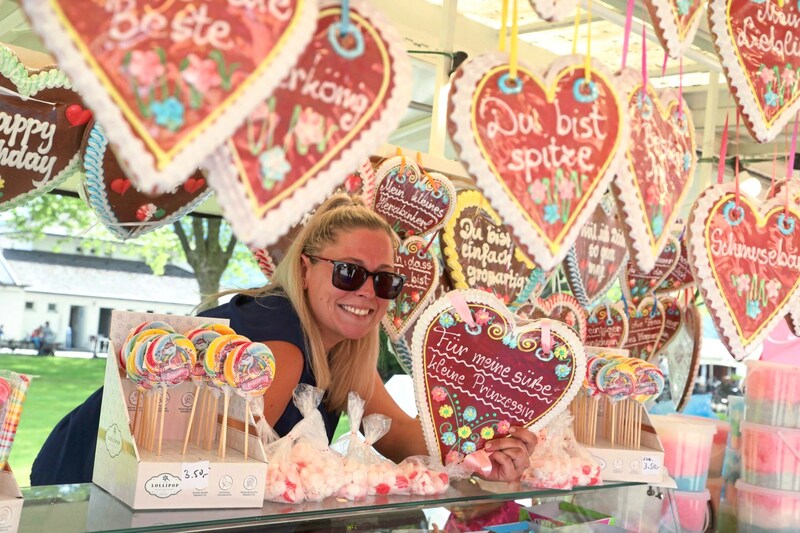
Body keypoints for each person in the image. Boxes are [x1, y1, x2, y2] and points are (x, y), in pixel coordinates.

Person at [31, 194, 535, 485]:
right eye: (348, 272)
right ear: (305, 268)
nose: (368, 292)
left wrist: (485, 449)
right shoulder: (281, 349)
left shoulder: (342, 354)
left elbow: (406, 436)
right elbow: (217, 477)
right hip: (87, 480)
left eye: (385, 281)